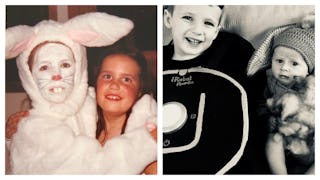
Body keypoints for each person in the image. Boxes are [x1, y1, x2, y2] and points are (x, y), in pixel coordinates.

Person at [5, 12, 157, 174]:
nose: (114, 84)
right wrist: (12, 137)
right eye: (107, 76)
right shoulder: (74, 118)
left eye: (126, 79)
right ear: (96, 82)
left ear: (139, 89)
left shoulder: (152, 129)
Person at [162, 5, 256, 174]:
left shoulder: (232, 54)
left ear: (216, 32)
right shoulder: (156, 62)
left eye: (208, 23)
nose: (198, 30)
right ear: (168, 19)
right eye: (188, 18)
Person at [247, 25, 315, 174]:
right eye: (279, 61)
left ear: (308, 68)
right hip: (286, 137)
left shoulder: (312, 85)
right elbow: (262, 103)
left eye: (294, 63)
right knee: (273, 141)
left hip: (311, 138)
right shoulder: (271, 82)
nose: (284, 68)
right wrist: (267, 117)